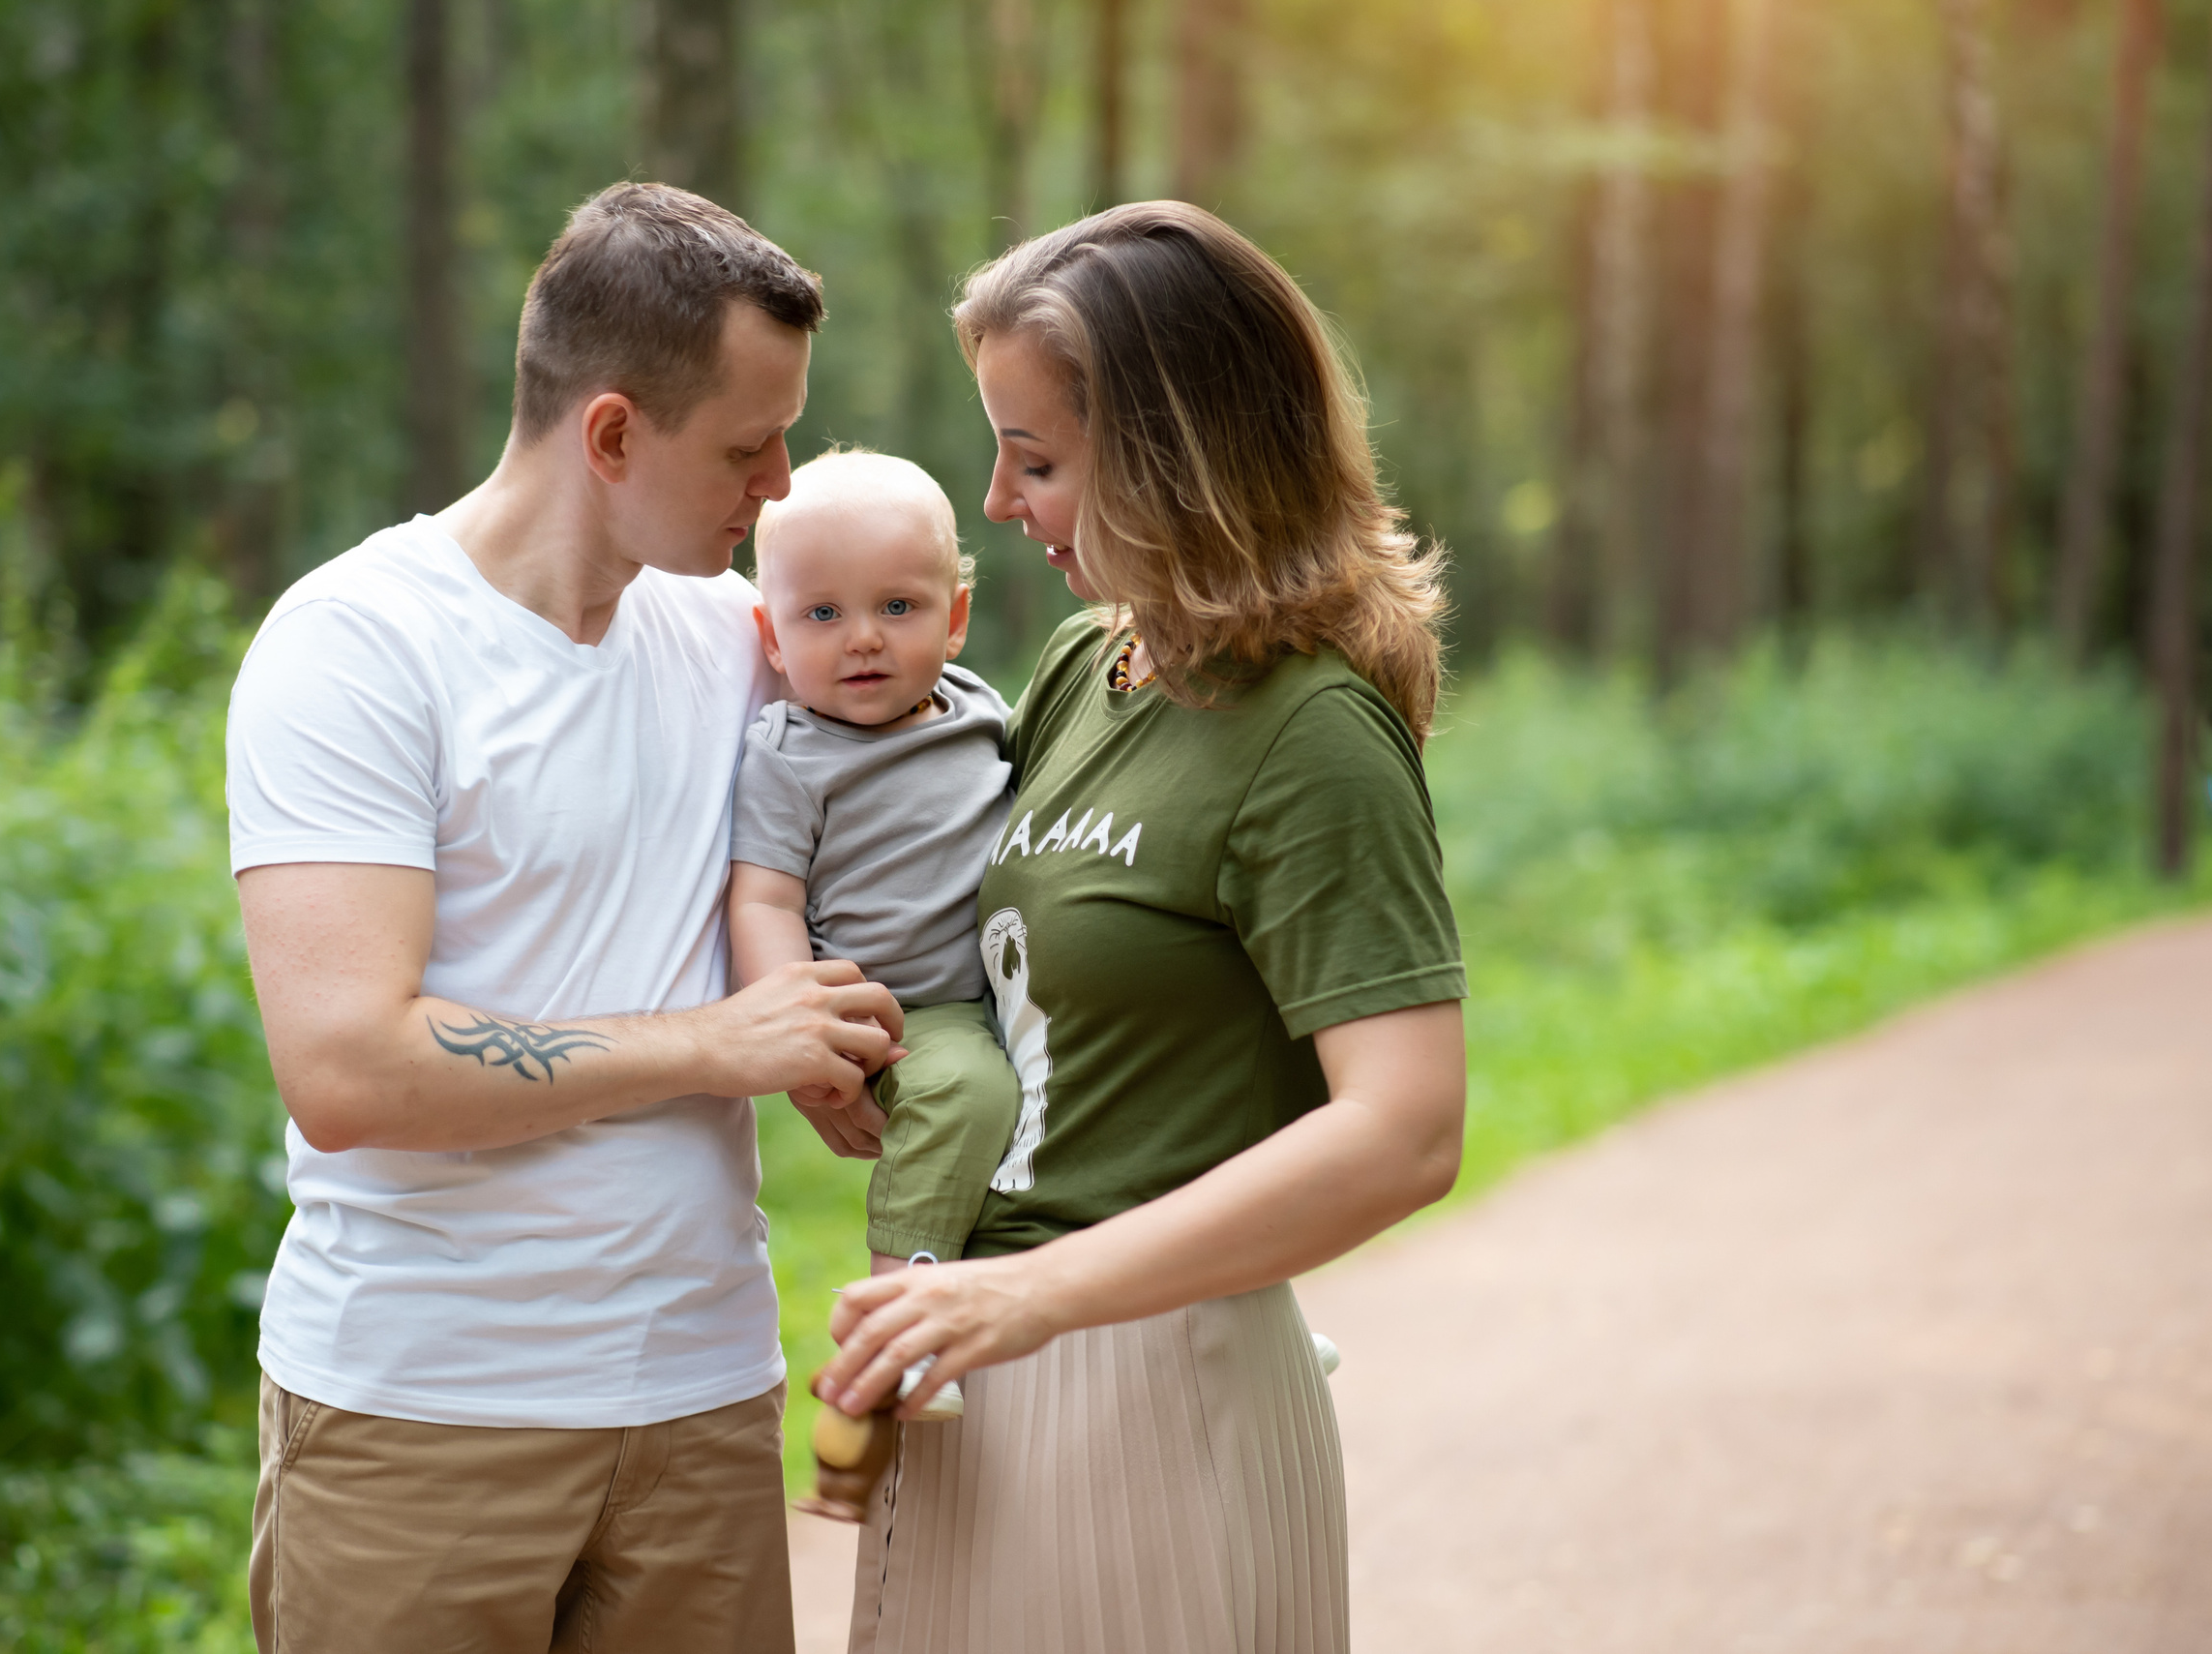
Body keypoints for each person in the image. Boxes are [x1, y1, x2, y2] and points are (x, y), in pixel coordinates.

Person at [224, 182, 906, 1654]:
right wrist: (718, 1044)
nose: (780, 483)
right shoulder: (355, 648)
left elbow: (924, 786)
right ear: (609, 434)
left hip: (704, 1409)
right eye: (745, 445)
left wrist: (865, 1047)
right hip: (423, 1417)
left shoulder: (737, 638)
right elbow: (349, 1071)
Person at [815, 201, 1470, 1652]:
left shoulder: (1313, 733)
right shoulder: (1080, 663)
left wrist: (1036, 1295)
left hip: (1156, 1377)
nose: (996, 501)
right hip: (988, 1366)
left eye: (1036, 458)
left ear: (1178, 456)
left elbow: (1407, 1128)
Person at [726, 449, 1024, 1428]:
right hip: (907, 1011)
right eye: (822, 614)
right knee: (964, 1092)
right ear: (771, 634)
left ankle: (1224, 1298)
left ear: (955, 617)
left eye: (898, 607)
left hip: (1017, 984)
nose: (863, 639)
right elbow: (764, 900)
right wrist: (803, 1038)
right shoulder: (791, 755)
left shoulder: (981, 710)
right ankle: (899, 1330)